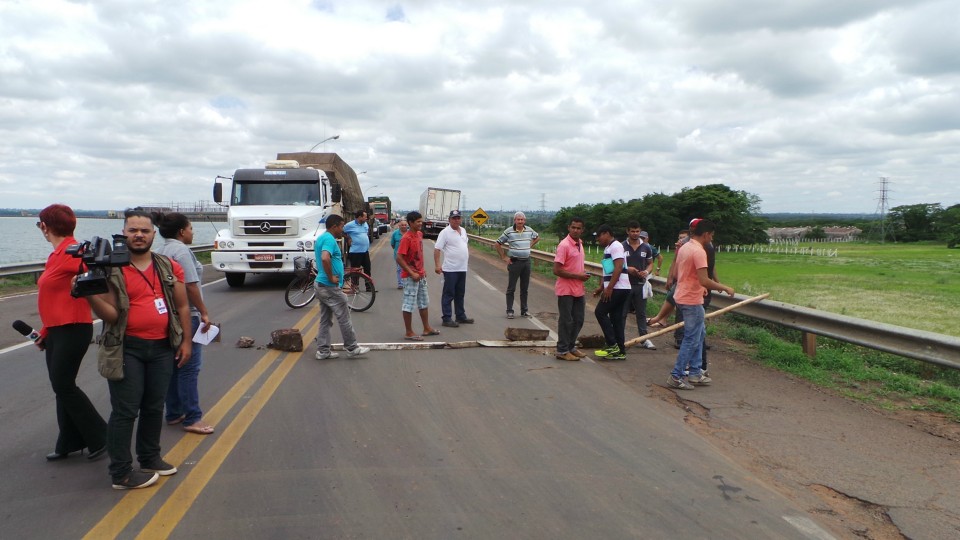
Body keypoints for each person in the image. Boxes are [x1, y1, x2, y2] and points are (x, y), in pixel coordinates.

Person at [84, 209, 192, 490]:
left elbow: (182, 306)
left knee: (154, 406)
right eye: (133, 230)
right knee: (125, 411)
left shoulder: (167, 266)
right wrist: (91, 297)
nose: (139, 235)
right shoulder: (110, 267)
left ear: (153, 234)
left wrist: (186, 341)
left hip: (162, 348)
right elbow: (110, 316)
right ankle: (120, 472)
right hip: (126, 348)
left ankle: (150, 457)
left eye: (144, 230)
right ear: (124, 233)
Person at [34, 204, 107, 462]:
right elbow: (54, 299)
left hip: (73, 328)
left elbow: (98, 274)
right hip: (55, 330)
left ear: (45, 226)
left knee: (63, 384)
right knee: (60, 386)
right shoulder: (55, 255)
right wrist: (44, 332)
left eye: (40, 224)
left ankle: (100, 436)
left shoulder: (73, 252)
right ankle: (69, 440)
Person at [154, 212, 215, 435]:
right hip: (187, 313)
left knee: (173, 366)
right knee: (190, 367)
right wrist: (204, 312)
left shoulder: (160, 250)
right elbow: (190, 285)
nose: (192, 232)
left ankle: (174, 412)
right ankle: (192, 417)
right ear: (182, 231)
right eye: (190, 228)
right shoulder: (180, 250)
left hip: (167, 315)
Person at [668, 219, 734, 390]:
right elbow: (704, 280)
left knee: (699, 333)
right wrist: (724, 287)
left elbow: (680, 273)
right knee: (691, 338)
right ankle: (676, 375)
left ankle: (696, 372)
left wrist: (700, 287)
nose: (711, 239)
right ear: (706, 234)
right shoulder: (699, 251)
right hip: (691, 300)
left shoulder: (685, 247)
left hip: (683, 295)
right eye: (711, 235)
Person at [313, 214, 371, 360]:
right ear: (334, 226)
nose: (343, 229)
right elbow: (325, 257)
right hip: (328, 285)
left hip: (322, 284)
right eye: (341, 226)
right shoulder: (328, 239)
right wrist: (332, 276)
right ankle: (352, 347)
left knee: (326, 319)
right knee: (344, 317)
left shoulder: (322, 237)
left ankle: (323, 351)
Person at [553, 217, 591, 361]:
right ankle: (562, 350)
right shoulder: (564, 245)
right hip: (565, 289)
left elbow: (574, 265)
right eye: (573, 227)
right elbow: (556, 270)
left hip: (578, 289)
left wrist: (582, 276)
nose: (576, 230)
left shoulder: (579, 244)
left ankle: (570, 346)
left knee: (578, 320)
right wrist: (577, 276)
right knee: (566, 320)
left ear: (583, 230)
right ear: (569, 228)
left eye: (579, 228)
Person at [397, 211, 439, 341]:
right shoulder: (406, 238)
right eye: (418, 222)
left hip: (420, 275)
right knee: (408, 304)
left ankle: (426, 328)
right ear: (410, 223)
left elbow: (418, 255)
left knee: (424, 302)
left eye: (421, 221)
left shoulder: (419, 234)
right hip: (410, 276)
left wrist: (421, 270)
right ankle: (409, 332)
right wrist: (411, 272)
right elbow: (399, 258)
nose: (421, 224)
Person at [592, 225, 631, 360]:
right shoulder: (609, 248)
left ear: (607, 233)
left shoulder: (616, 246)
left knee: (600, 312)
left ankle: (612, 344)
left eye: (599, 236)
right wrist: (602, 287)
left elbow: (619, 267)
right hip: (619, 287)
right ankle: (620, 350)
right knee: (616, 318)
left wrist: (609, 289)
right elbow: (609, 270)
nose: (598, 240)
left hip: (618, 288)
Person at [434, 210, 474, 328]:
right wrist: (437, 265)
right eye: (454, 218)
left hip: (462, 268)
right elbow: (437, 249)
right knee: (449, 293)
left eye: (458, 218)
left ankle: (460, 315)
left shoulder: (463, 231)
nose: (456, 220)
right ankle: (446, 318)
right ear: (449, 220)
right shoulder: (445, 232)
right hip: (450, 269)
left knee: (460, 293)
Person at [496, 211, 539, 319]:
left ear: (524, 221)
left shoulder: (529, 230)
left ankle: (524, 310)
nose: (520, 221)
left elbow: (537, 237)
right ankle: (510, 310)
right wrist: (504, 257)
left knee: (525, 288)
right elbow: (497, 244)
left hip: (527, 262)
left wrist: (530, 245)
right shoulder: (509, 231)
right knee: (511, 288)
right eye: (518, 219)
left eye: (522, 219)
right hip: (515, 262)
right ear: (514, 220)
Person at [621, 223, 656, 350]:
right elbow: (615, 264)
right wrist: (627, 269)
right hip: (624, 285)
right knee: (622, 313)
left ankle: (644, 338)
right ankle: (620, 339)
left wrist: (646, 271)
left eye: (637, 231)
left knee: (641, 313)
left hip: (640, 285)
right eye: (632, 231)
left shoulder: (646, 247)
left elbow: (650, 263)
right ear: (627, 231)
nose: (635, 233)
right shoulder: (621, 246)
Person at [646, 228, 690, 328]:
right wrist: (669, 278)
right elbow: (674, 262)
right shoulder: (679, 248)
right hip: (676, 278)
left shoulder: (690, 250)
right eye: (680, 238)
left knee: (672, 299)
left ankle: (659, 319)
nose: (681, 240)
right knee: (671, 299)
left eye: (684, 238)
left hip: (683, 281)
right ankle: (662, 319)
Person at [343, 210, 371, 288]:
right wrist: (348, 237)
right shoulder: (350, 225)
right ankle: (355, 286)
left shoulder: (365, 224)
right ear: (359, 217)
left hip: (365, 251)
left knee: (367, 269)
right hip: (355, 251)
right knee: (355, 270)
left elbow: (366, 233)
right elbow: (341, 231)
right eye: (365, 217)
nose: (366, 218)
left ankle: (369, 287)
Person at [390, 219, 409, 289]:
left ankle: (407, 283)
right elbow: (392, 244)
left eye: (405, 225)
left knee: (408, 269)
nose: (404, 226)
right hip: (399, 256)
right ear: (399, 226)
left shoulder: (409, 233)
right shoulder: (395, 233)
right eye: (402, 225)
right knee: (399, 269)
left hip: (408, 255)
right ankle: (400, 283)